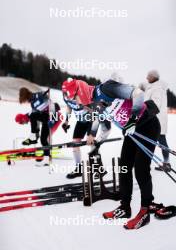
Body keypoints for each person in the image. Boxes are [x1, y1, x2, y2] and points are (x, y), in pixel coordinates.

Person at [61, 78, 161, 230]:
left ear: (80, 91)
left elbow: (138, 94)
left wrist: (133, 120)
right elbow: (97, 119)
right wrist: (92, 135)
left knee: (141, 170)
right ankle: (125, 207)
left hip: (147, 124)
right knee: (124, 168)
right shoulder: (93, 101)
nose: (78, 103)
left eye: (75, 98)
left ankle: (145, 211)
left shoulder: (106, 88)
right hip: (132, 131)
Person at [62, 79, 111, 179]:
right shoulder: (65, 94)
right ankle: (78, 169)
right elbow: (69, 106)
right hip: (80, 120)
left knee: (92, 144)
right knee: (75, 143)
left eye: (74, 95)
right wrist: (66, 120)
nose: (73, 98)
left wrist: (92, 134)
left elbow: (96, 114)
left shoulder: (84, 94)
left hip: (91, 119)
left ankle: (98, 169)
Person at [18, 87, 60, 165]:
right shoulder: (32, 104)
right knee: (43, 139)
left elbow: (52, 105)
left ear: (27, 95)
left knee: (33, 116)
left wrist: (53, 119)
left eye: (25, 99)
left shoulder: (39, 95)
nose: (26, 101)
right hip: (46, 118)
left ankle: (33, 137)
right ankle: (47, 156)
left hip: (52, 116)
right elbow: (34, 117)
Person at [139, 70, 171, 172]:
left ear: (154, 77)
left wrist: (145, 115)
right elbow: (144, 87)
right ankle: (165, 163)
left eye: (148, 76)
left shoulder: (157, 89)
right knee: (156, 141)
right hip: (154, 119)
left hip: (157, 120)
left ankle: (166, 163)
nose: (147, 78)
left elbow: (155, 105)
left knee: (160, 141)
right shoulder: (154, 86)